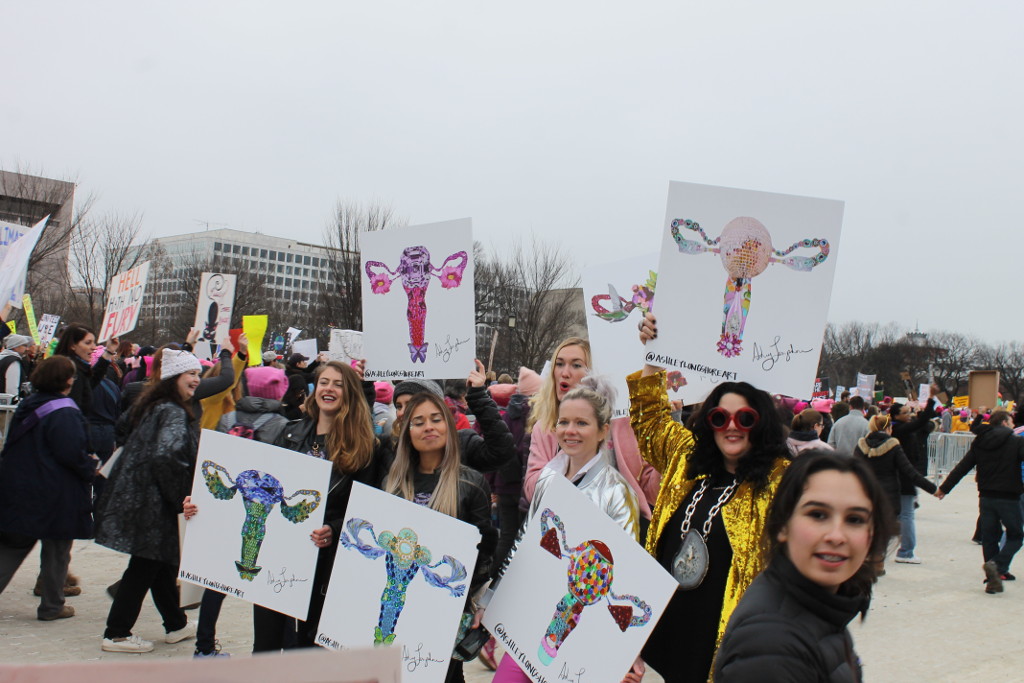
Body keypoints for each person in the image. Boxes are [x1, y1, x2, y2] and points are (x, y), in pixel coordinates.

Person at [629, 312, 790, 683]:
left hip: (728, 640)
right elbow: (650, 420)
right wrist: (654, 352)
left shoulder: (780, 478)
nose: (732, 427)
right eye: (720, 418)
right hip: (672, 629)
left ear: (761, 423)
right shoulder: (687, 459)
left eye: (745, 418)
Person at [484, 374, 642, 683]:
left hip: (584, 634)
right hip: (533, 619)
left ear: (603, 430)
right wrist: (494, 598)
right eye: (564, 422)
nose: (570, 430)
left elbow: (625, 571)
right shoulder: (547, 477)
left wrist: (626, 652)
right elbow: (523, 542)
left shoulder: (617, 493)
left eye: (582, 423)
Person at [714, 450, 896, 682]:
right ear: (783, 525)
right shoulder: (770, 643)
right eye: (818, 515)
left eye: (855, 519)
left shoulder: (824, 604)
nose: (836, 536)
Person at [252, 360, 391, 651]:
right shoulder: (287, 433)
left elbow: (368, 509)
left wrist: (334, 530)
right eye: (324, 382)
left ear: (350, 394)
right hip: (279, 554)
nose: (329, 389)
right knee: (265, 647)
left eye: (339, 384)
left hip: (325, 564)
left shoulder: (365, 446)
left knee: (310, 650)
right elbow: (263, 488)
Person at [94, 350, 204, 653]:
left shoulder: (154, 404)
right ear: (173, 378)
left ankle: (176, 624)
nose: (196, 380)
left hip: (142, 496)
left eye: (198, 373)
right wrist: (180, 497)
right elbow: (167, 456)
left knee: (160, 562)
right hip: (155, 501)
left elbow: (123, 428)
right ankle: (117, 633)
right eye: (190, 374)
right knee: (145, 565)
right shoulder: (173, 411)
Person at [384, 391, 496, 683]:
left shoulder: (471, 483)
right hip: (395, 605)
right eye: (419, 422)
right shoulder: (392, 484)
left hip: (444, 612)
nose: (428, 427)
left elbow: (483, 555)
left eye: (436, 419)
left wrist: (470, 601)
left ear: (448, 425)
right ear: (407, 432)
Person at [524, 338, 659, 527]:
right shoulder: (545, 426)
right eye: (559, 364)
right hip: (567, 529)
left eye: (576, 365)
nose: (565, 373)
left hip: (623, 529)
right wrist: (573, 443)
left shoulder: (623, 423)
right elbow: (532, 491)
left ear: (593, 374)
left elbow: (652, 492)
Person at [0, 356, 97, 620]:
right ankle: (52, 606)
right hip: (56, 492)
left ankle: (53, 605)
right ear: (67, 380)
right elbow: (71, 453)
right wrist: (90, 467)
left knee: (11, 548)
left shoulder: (28, 404)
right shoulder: (65, 411)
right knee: (57, 551)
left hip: (20, 487)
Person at [938, 409, 1024, 594]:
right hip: (1009, 497)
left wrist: (944, 488)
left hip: (985, 496)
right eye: (1010, 422)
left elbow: (963, 466)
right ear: (1004, 423)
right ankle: (997, 565)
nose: (1013, 425)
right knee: (1016, 536)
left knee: (989, 538)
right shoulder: (1016, 441)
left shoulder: (980, 441)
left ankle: (992, 581)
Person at [853, 414, 939, 565]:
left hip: (865, 492)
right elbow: (909, 471)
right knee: (884, 529)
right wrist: (933, 489)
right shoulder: (892, 446)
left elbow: (853, 470)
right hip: (888, 494)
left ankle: (865, 556)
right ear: (888, 428)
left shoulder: (861, 445)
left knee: (866, 526)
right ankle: (877, 560)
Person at [891, 385, 938, 564]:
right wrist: (931, 399)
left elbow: (922, 424)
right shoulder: (900, 430)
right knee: (906, 515)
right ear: (896, 416)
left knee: (898, 514)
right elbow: (921, 422)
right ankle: (906, 551)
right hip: (904, 476)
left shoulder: (900, 428)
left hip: (900, 476)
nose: (909, 414)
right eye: (905, 412)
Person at [0, 333, 32, 400]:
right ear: (15, 346)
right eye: (24, 345)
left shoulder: (3, 358)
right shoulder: (13, 361)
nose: (27, 349)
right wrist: (15, 402)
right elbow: (12, 388)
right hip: (6, 403)